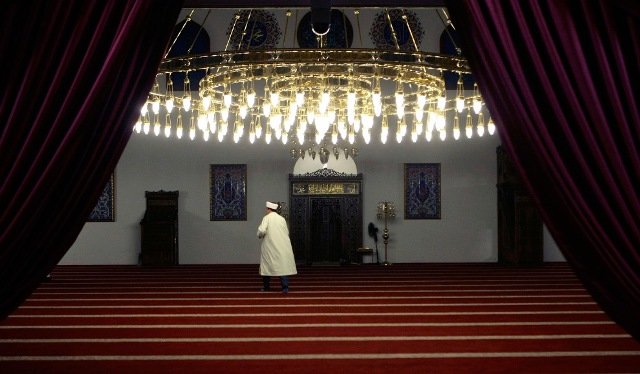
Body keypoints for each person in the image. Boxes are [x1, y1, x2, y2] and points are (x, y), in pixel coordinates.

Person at [257, 201, 297, 293]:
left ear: (269, 209)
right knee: (282, 267)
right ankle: (285, 288)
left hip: (270, 247)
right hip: (282, 246)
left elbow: (262, 231)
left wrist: (259, 235)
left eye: (266, 209)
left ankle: (266, 287)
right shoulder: (282, 219)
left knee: (267, 267)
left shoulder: (266, 218)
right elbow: (286, 232)